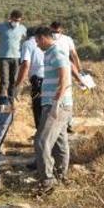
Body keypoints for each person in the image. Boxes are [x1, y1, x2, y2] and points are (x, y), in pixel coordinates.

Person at [33, 26, 72, 192]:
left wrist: (56, 103)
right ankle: (61, 176)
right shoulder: (49, 53)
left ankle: (47, 181)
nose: (36, 44)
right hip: (57, 103)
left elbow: (64, 77)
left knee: (41, 141)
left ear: (43, 38)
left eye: (37, 41)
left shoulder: (56, 52)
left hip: (56, 104)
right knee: (59, 142)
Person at [0, 10, 27, 105]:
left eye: (18, 21)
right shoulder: (2, 26)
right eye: (15, 20)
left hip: (16, 57)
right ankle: (2, 102)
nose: (16, 22)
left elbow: (27, 39)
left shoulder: (22, 28)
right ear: (10, 18)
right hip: (4, 57)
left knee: (13, 80)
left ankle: (11, 102)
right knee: (4, 80)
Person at [14, 27, 44, 130]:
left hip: (38, 80)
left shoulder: (27, 44)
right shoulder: (46, 43)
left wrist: (18, 85)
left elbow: (25, 65)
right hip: (50, 79)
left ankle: (40, 135)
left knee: (38, 107)